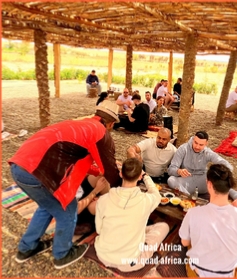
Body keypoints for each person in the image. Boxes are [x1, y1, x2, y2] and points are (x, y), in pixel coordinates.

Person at [8, 100, 121, 269]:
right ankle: (62, 254)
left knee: (46, 207)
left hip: (19, 166)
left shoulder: (83, 125)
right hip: (38, 172)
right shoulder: (101, 133)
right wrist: (125, 186)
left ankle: (26, 248)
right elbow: (111, 171)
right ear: (111, 124)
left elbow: (77, 159)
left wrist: (97, 172)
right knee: (68, 211)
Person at [179, 163, 237, 278]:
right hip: (229, 275)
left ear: (209, 184)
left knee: (192, 240)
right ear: (229, 187)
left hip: (197, 274)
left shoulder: (193, 213)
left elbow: (185, 242)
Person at [94, 158, 169, 272]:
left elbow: (99, 230)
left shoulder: (103, 200)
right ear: (139, 177)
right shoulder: (146, 200)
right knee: (164, 227)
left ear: (120, 173)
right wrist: (146, 177)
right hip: (130, 263)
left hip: (103, 256)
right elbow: (156, 195)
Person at [167, 131, 233, 195]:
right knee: (171, 180)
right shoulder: (183, 149)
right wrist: (179, 171)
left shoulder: (207, 152)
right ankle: (187, 197)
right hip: (186, 180)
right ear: (193, 139)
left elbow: (226, 165)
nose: (197, 147)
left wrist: (223, 173)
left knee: (220, 182)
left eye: (201, 145)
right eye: (196, 143)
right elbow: (171, 169)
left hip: (202, 181)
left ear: (206, 143)